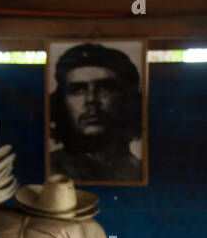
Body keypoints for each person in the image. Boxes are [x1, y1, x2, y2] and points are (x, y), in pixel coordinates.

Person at [48, 42, 144, 183]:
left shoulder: (142, 172)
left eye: (105, 88)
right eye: (78, 90)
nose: (91, 100)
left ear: (127, 99)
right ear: (61, 103)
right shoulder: (48, 169)